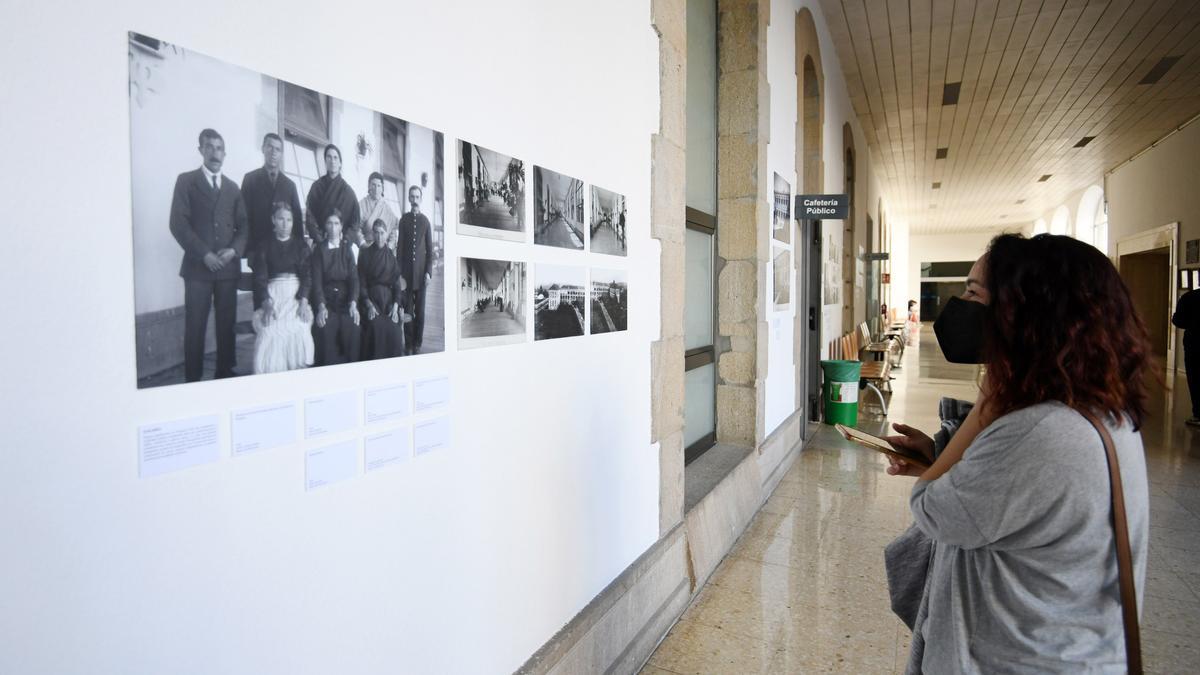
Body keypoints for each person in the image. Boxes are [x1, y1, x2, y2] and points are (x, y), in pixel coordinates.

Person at [884, 234, 1151, 673]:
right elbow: (1019, 501)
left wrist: (987, 404)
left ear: (1024, 313)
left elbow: (930, 507)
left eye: (973, 292)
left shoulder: (1042, 433)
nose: (961, 304)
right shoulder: (1099, 411)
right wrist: (938, 455)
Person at [168, 128, 248, 382]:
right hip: (197, 269)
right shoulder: (186, 182)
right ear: (201, 150)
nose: (215, 153)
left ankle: (224, 375)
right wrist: (204, 254)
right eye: (209, 147)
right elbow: (177, 223)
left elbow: (244, 226)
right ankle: (192, 380)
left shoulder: (233, 188)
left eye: (219, 148)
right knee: (195, 328)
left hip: (227, 270)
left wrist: (234, 250)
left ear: (225, 153)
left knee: (226, 327)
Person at [250, 202, 314, 373]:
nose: (285, 224)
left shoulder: (301, 246)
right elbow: (260, 278)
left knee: (299, 325)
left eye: (289, 220)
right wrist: (267, 304)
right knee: (270, 328)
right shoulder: (264, 246)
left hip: (296, 294)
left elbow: (307, 276)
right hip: (272, 295)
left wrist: (303, 302)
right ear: (273, 220)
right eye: (281, 219)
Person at [241, 133, 304, 262]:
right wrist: (248, 251)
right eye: (270, 147)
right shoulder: (250, 179)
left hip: (283, 253)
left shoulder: (290, 185)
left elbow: (297, 221)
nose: (273, 152)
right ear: (263, 149)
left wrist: (299, 251)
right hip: (257, 251)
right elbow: (243, 218)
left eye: (278, 149)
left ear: (281, 154)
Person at [310, 210, 361, 366]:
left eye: (336, 224)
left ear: (341, 227)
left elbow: (354, 279)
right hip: (326, 300)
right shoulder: (319, 250)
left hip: (346, 300)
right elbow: (317, 282)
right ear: (325, 226)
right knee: (324, 328)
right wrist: (320, 306)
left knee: (353, 326)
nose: (333, 228)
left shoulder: (347, 249)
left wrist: (353, 303)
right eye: (330, 223)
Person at [358, 219, 407, 360]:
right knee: (375, 326)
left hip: (388, 301)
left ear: (386, 235)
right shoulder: (365, 255)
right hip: (371, 300)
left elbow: (397, 285)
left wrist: (396, 306)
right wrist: (368, 305)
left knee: (394, 329)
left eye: (382, 233)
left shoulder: (391, 257)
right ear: (372, 234)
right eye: (376, 233)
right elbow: (361, 284)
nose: (379, 237)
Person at [398, 185, 433, 355]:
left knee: (420, 311)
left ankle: (418, 342)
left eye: (417, 196)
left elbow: (430, 251)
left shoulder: (425, 221)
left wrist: (428, 272)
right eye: (412, 196)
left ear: (421, 199)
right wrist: (399, 273)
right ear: (409, 199)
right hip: (406, 275)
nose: (414, 200)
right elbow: (399, 249)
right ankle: (408, 343)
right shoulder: (403, 220)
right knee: (407, 310)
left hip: (421, 275)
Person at [305, 144, 361, 245]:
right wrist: (319, 238)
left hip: (341, 245)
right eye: (329, 157)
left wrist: (346, 239)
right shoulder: (316, 187)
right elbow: (309, 216)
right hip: (320, 243)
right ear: (325, 161)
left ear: (340, 163)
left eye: (335, 158)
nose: (332, 161)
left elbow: (355, 221)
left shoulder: (348, 192)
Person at [1172, 287, 1200, 426]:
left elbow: (1178, 321)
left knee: (1195, 379)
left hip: (1194, 344)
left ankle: (1198, 414)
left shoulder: (1189, 298)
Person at [358, 172, 397, 247]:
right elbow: (356, 228)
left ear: (382, 188)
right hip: (367, 247)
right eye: (373, 185)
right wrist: (362, 243)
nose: (376, 189)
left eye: (379, 186)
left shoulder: (387, 208)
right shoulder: (362, 204)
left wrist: (389, 246)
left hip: (383, 250)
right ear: (369, 186)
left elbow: (393, 230)